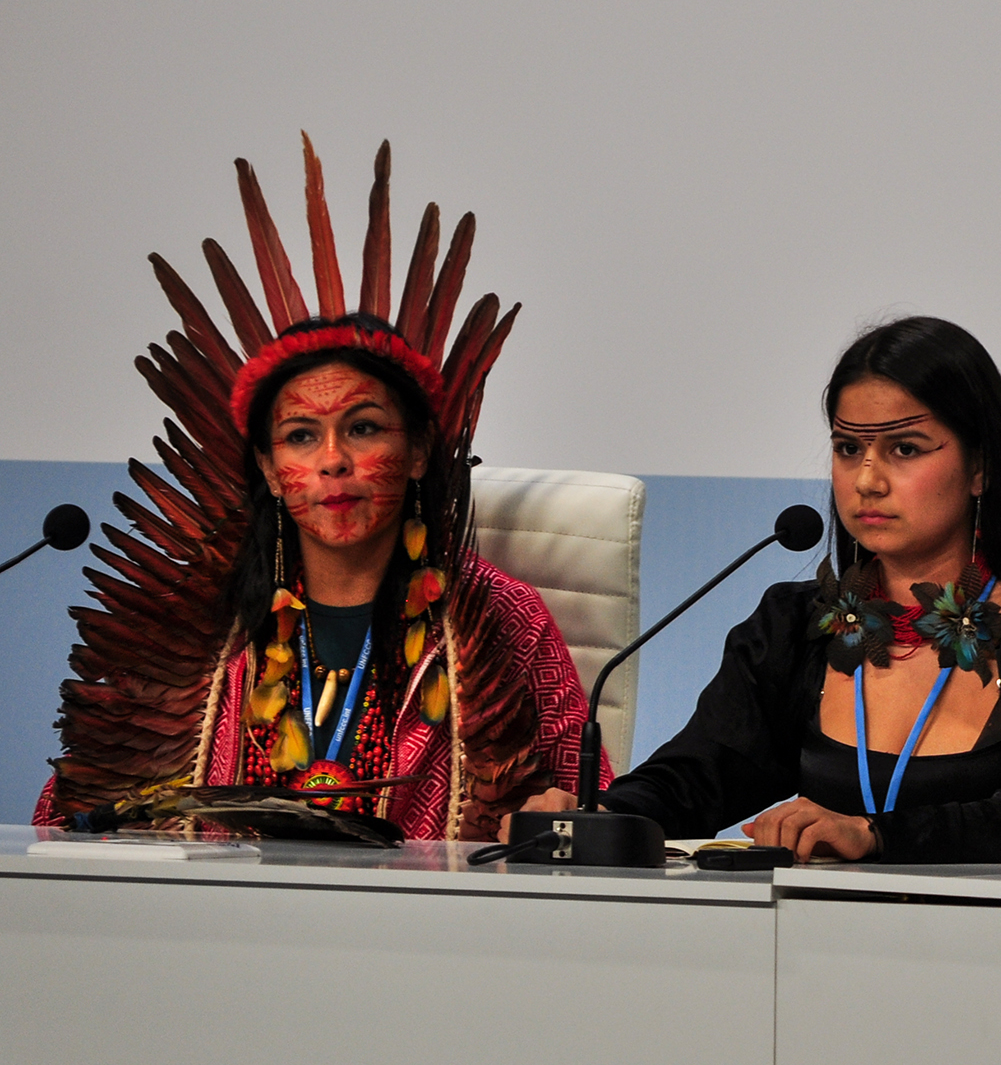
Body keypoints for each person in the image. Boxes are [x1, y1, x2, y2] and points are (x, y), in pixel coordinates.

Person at [35, 138, 607, 841]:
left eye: (363, 428)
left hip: (437, 936)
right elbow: (67, 823)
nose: (333, 460)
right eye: (302, 435)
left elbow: (594, 809)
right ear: (272, 471)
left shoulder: (505, 618)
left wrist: (565, 814)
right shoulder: (196, 628)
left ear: (420, 450)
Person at [513, 316, 1001, 863]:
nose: (866, 480)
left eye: (904, 449)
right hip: (813, 954)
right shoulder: (798, 624)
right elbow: (701, 773)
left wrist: (874, 835)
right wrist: (602, 817)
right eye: (848, 448)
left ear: (981, 466)